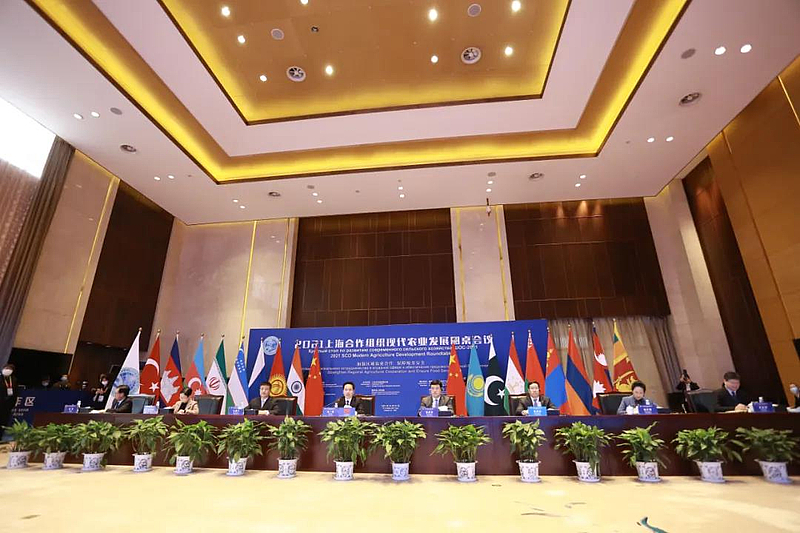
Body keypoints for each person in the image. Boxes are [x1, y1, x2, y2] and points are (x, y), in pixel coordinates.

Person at [1, 364, 19, 438]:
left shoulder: (14, 379)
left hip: (8, 404)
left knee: (4, 421)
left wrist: (13, 402)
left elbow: (16, 392)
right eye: (6, 368)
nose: (7, 370)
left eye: (10, 369)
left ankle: (1, 437)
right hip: (1, 401)